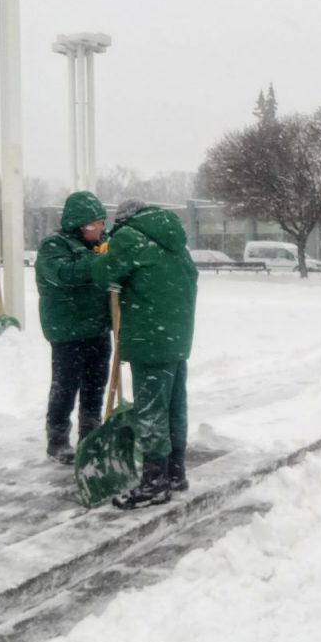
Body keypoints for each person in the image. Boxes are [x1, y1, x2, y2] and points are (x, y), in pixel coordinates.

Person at [92, 199, 198, 509]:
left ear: (125, 220)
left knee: (151, 411)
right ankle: (175, 472)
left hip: (150, 338)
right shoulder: (175, 241)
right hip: (176, 336)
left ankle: (155, 482)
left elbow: (104, 274)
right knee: (174, 407)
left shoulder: (129, 237)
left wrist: (102, 254)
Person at [35, 191, 111, 465]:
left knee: (96, 384)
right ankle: (57, 440)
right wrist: (100, 260)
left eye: (102, 223)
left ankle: (90, 436)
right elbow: (64, 275)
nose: (102, 229)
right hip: (68, 331)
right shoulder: (53, 246)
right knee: (65, 386)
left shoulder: (101, 246)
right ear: (81, 224)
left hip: (98, 329)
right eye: (97, 224)